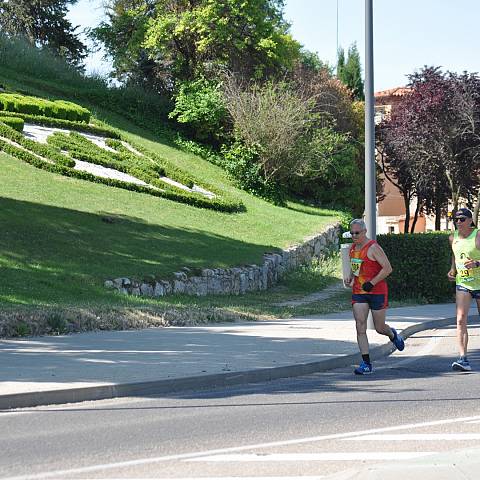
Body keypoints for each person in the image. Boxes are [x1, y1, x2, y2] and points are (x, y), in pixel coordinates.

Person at [345, 219, 405, 375]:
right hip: (359, 292)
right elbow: (355, 267)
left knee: (379, 328)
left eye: (357, 233)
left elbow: (388, 268)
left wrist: (372, 283)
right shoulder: (352, 248)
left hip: (377, 291)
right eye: (351, 233)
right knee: (360, 325)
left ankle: (392, 334)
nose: (354, 236)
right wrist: (350, 277)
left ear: (364, 232)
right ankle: (366, 363)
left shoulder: (373, 248)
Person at [447, 208, 480, 372]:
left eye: (461, 219)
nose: (458, 222)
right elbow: (455, 254)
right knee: (460, 319)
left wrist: (477, 263)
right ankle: (463, 359)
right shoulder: (453, 237)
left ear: (470, 221)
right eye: (456, 219)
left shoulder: (478, 236)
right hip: (464, 283)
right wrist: (452, 269)